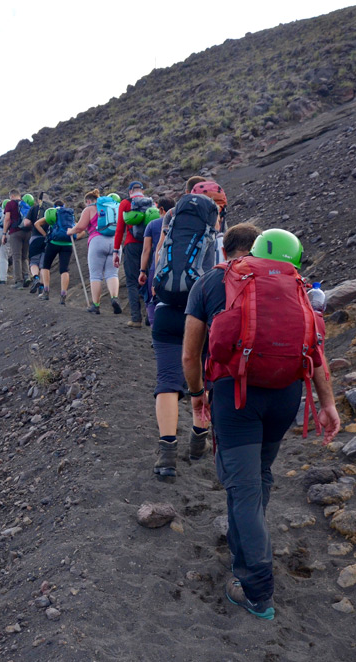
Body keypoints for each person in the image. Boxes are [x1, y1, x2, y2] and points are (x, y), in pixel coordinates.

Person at [183, 226, 340, 621]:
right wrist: (327, 405)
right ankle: (245, 554)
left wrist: (197, 395)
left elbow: (189, 355)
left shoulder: (214, 280)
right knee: (259, 477)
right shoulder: (298, 286)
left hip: (236, 397)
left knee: (243, 489)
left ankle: (256, 590)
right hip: (285, 396)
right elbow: (316, 353)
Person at [148, 176, 220, 479]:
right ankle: (197, 440)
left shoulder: (169, 233)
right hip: (199, 315)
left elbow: (156, 269)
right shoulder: (212, 238)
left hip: (165, 312)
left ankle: (167, 455)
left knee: (167, 380)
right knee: (200, 375)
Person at [67, 189, 120, 314]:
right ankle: (114, 298)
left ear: (88, 201)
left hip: (97, 241)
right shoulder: (111, 208)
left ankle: (96, 305)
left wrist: (70, 231)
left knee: (96, 275)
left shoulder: (89, 209)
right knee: (112, 274)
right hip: (114, 241)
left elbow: (80, 227)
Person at [114, 181, 156, 326]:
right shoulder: (151, 203)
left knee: (132, 282)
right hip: (148, 246)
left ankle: (135, 318)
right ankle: (149, 316)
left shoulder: (125, 203)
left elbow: (120, 229)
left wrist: (116, 251)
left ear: (130, 191)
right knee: (148, 279)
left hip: (131, 245)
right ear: (142, 191)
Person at [138, 197, 174, 327]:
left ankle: (155, 330)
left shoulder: (152, 225)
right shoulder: (179, 223)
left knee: (152, 300)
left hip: (156, 266)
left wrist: (142, 271)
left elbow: (146, 250)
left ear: (161, 209)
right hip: (175, 266)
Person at [38, 200, 74, 304]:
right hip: (67, 244)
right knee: (64, 269)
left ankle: (46, 291)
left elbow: (37, 224)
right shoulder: (69, 215)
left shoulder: (53, 212)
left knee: (46, 266)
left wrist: (46, 235)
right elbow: (80, 231)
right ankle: (63, 295)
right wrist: (74, 238)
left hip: (54, 242)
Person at [2, 190, 30, 289]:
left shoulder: (10, 204)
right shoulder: (25, 204)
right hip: (28, 232)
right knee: (25, 256)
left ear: (12, 196)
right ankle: (26, 276)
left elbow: (7, 219)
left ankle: (19, 281)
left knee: (16, 256)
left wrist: (4, 233)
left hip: (15, 232)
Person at [26, 193, 47, 292]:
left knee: (34, 262)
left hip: (35, 237)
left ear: (39, 200)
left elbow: (26, 222)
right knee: (43, 264)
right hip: (47, 240)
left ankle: (36, 278)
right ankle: (42, 287)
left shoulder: (34, 208)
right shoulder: (51, 210)